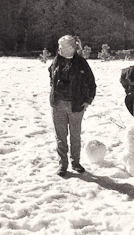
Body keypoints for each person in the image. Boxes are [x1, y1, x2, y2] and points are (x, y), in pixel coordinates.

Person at [48, 34, 96, 177]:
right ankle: (63, 164)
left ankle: (76, 162)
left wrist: (87, 100)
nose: (59, 49)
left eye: (61, 47)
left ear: (71, 48)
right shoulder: (57, 60)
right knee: (60, 136)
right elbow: (51, 74)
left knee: (75, 136)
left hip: (76, 105)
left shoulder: (81, 63)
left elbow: (91, 84)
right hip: (58, 105)